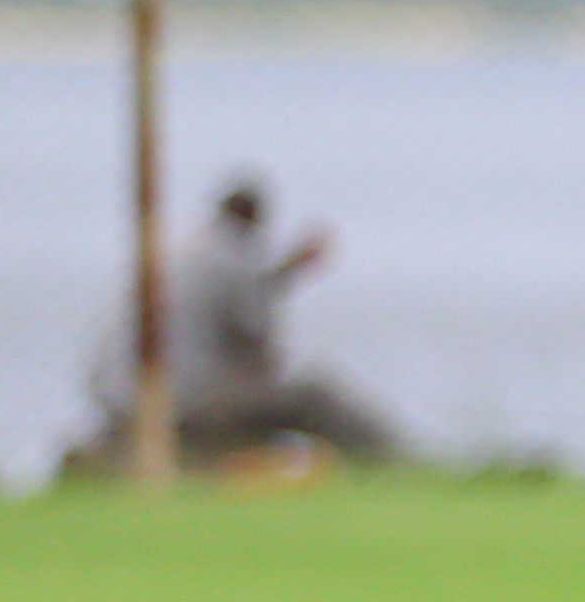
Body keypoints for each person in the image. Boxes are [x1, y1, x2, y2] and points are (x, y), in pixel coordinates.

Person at [129, 177, 394, 461]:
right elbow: (256, 344)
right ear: (253, 220)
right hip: (184, 400)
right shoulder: (235, 253)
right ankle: (390, 457)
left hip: (133, 395)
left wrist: (285, 271)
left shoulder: (180, 250)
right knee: (313, 396)